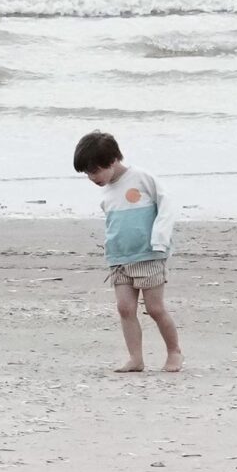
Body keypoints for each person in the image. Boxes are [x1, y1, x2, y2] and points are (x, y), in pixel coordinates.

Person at [73, 131, 181, 373]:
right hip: (120, 259)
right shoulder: (107, 192)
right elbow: (115, 225)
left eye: (94, 171)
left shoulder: (142, 179)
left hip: (150, 255)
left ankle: (174, 352)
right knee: (124, 308)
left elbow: (167, 206)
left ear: (111, 161)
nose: (91, 178)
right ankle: (136, 358)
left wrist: (160, 240)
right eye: (87, 174)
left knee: (154, 308)